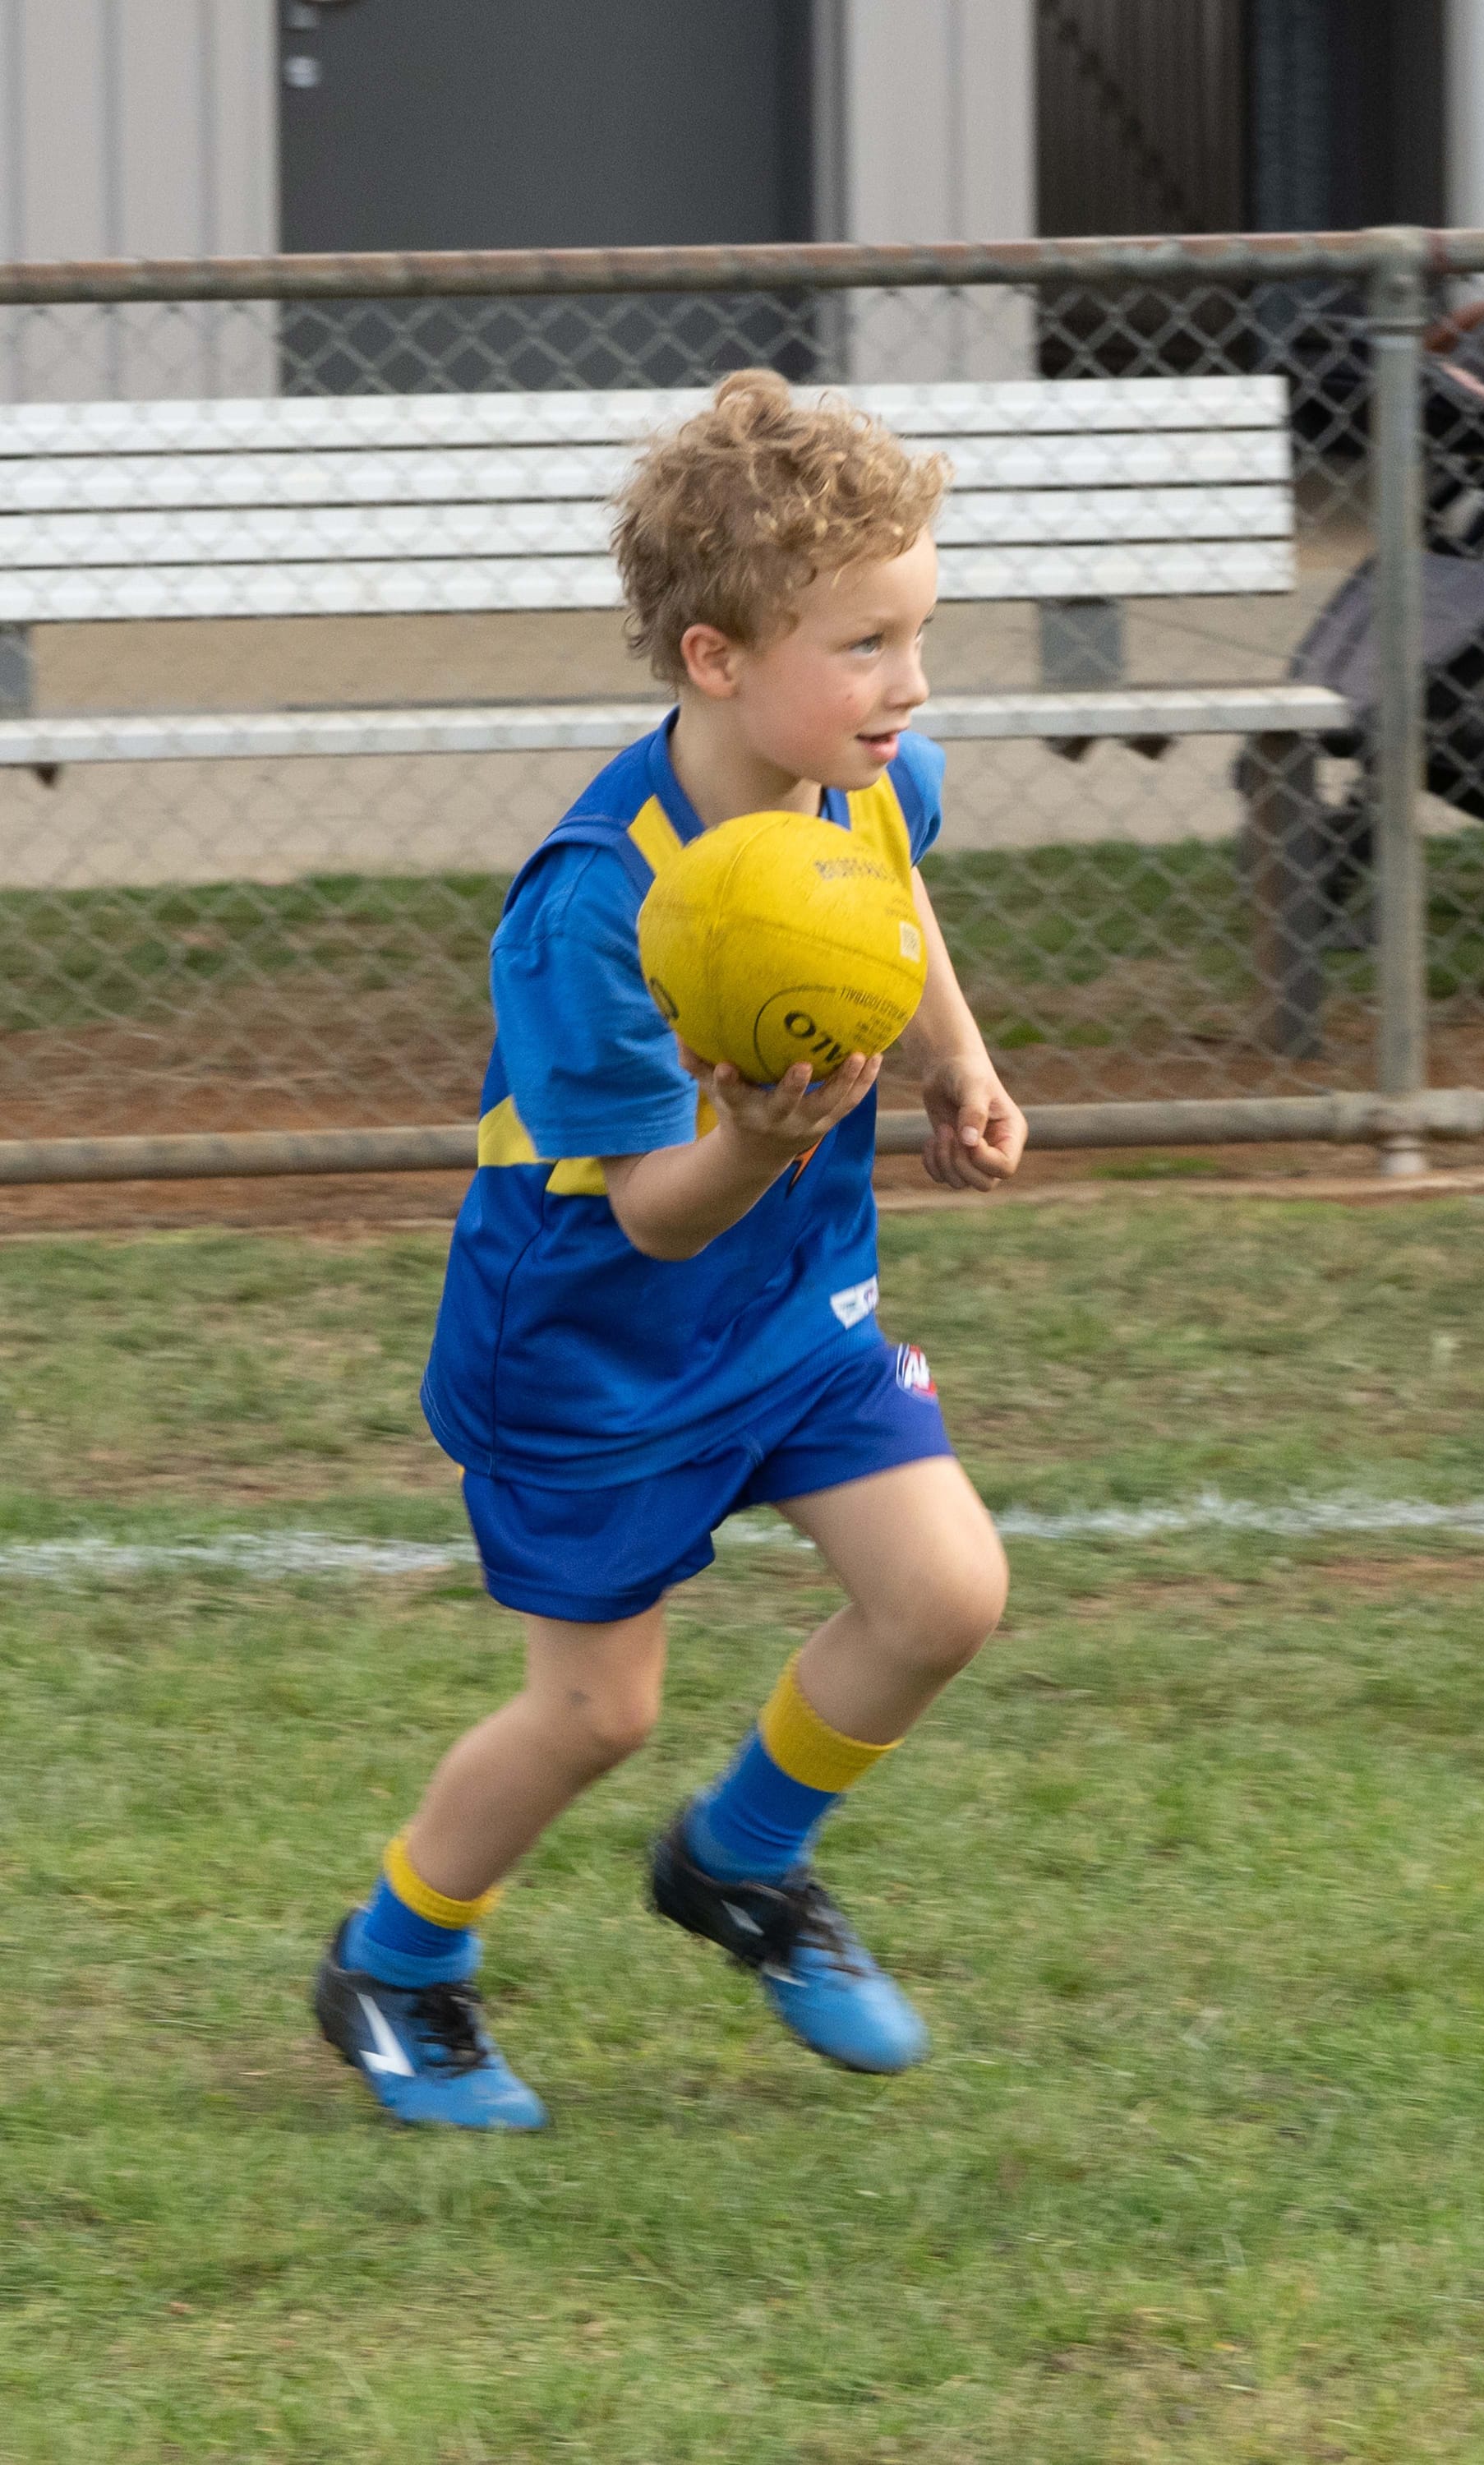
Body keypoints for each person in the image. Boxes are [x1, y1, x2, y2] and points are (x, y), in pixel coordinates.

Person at [312, 368, 1027, 2127]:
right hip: (593, 1353)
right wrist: (758, 1140)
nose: (908, 685)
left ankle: (739, 1864)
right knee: (592, 1714)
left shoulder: (864, 775)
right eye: (865, 643)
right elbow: (647, 1205)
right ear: (717, 659)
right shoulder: (592, 905)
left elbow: (897, 878)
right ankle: (396, 1964)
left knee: (944, 1593)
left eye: (917, 631)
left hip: (788, 1309)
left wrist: (958, 1060)